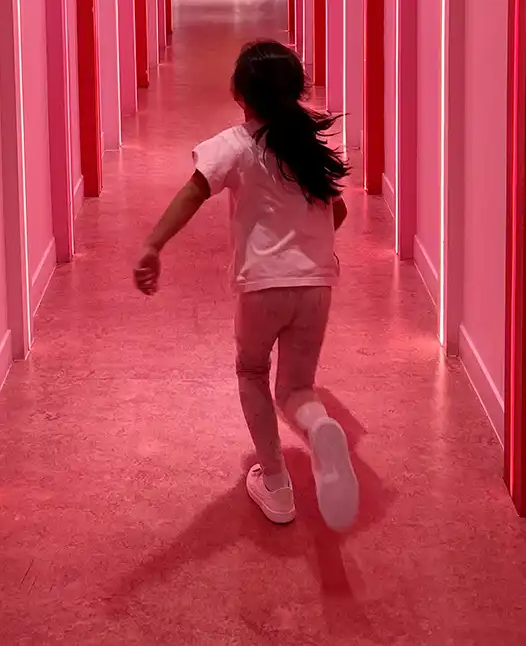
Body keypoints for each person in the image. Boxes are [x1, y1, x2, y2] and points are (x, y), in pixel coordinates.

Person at [133, 40, 359, 530]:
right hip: (316, 285)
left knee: (252, 372)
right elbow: (336, 213)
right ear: (296, 91)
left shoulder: (234, 144)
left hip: (262, 286)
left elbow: (193, 193)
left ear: (238, 92)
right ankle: (319, 426)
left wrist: (153, 245)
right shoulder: (308, 149)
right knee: (296, 387)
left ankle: (276, 485)